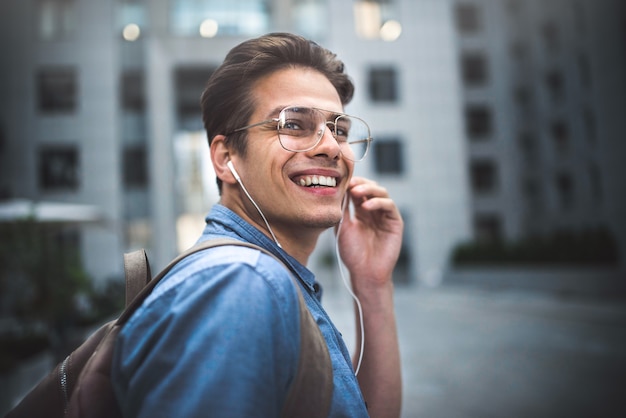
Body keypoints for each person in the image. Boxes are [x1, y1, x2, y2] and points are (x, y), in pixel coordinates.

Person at [112, 32, 403, 418]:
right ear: (225, 157)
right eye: (295, 125)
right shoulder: (242, 282)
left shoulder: (270, 276)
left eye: (340, 130)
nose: (331, 146)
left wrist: (372, 284)